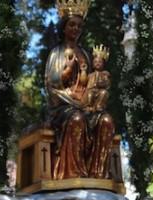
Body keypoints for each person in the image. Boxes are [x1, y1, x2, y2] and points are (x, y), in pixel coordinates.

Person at [44, 1, 114, 180]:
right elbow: (52, 83)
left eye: (79, 26)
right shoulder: (57, 52)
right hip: (64, 105)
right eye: (72, 24)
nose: (75, 29)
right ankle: (73, 173)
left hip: (85, 104)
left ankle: (98, 173)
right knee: (77, 119)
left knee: (106, 120)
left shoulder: (85, 53)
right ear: (64, 27)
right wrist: (67, 73)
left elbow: (90, 81)